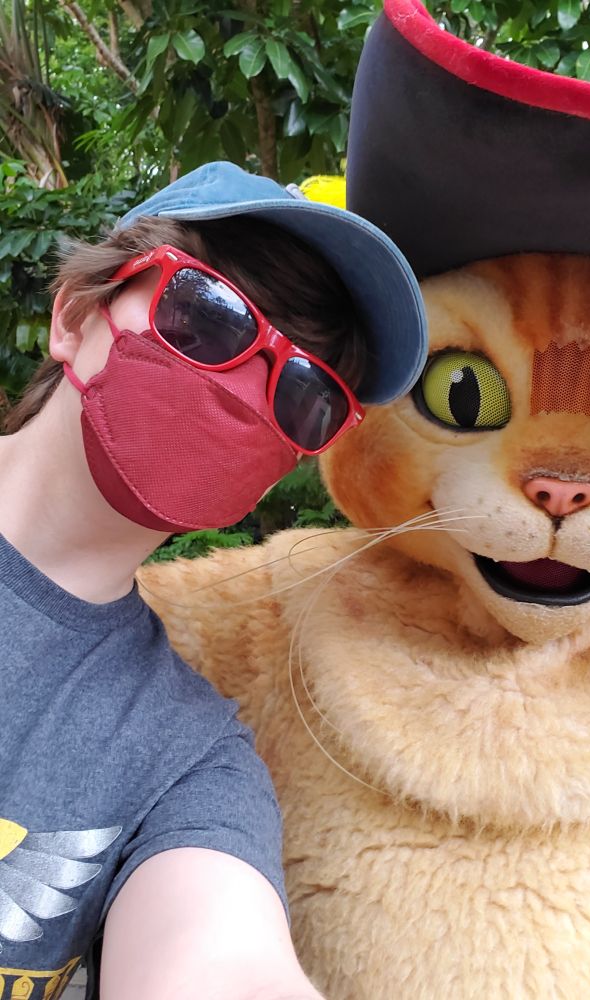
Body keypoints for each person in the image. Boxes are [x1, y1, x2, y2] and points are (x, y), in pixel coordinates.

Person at [0, 161, 426, 1000]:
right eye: (206, 314)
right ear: (76, 313)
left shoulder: (187, 761)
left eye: (307, 394)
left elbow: (218, 959)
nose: (245, 388)